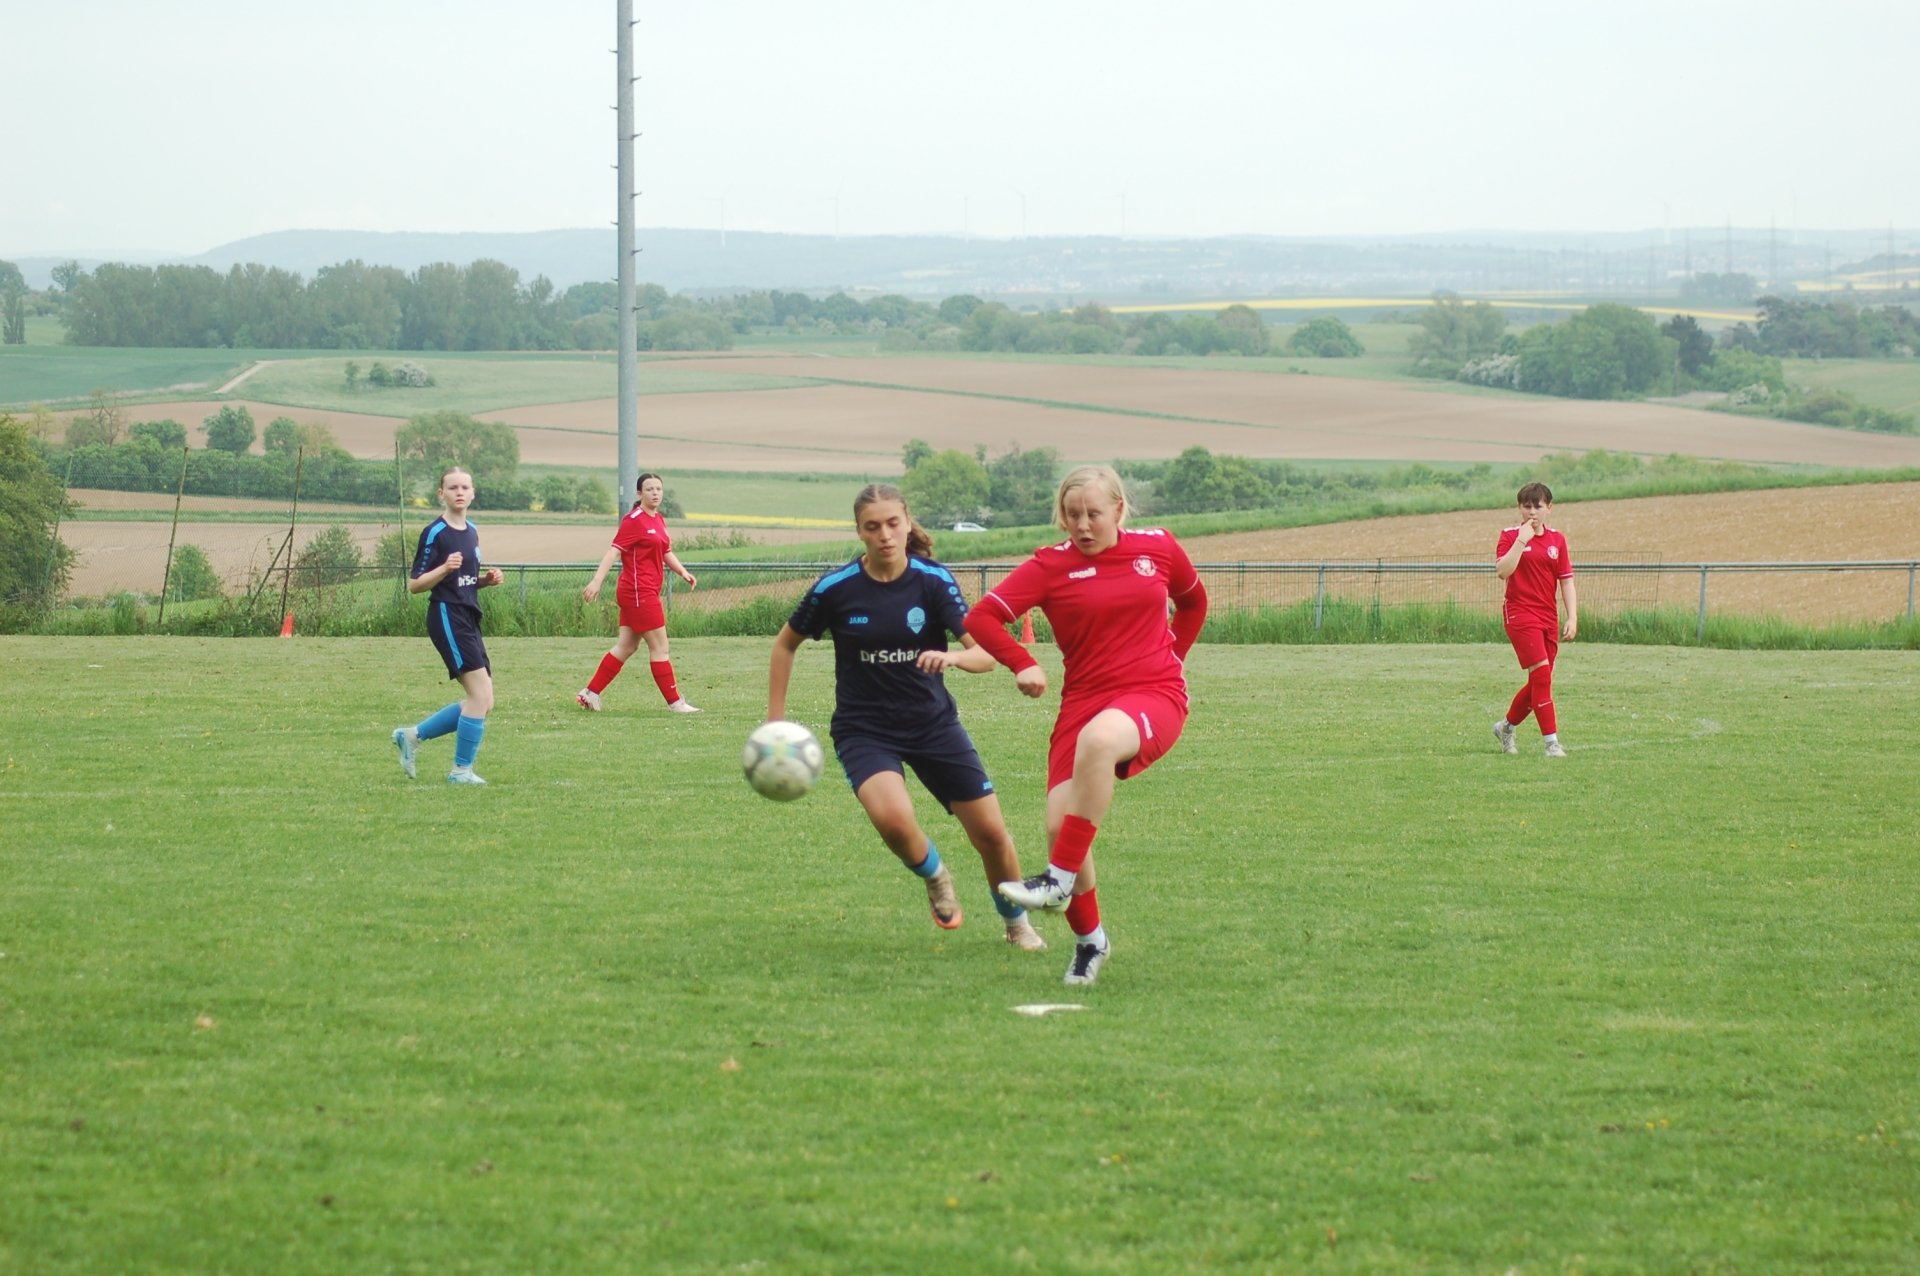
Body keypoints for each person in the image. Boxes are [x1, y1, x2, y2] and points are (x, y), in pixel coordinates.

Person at [767, 483, 1046, 951]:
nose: (885, 534)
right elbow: (785, 644)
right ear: (859, 531)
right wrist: (775, 722)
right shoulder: (835, 589)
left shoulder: (932, 581)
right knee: (894, 820)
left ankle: (1017, 924)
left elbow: (985, 655)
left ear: (908, 523)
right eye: (872, 526)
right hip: (864, 730)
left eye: (893, 523)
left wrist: (953, 657)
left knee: (992, 835)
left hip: (934, 725)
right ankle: (935, 875)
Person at [965, 465, 1208, 986]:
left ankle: (1056, 881)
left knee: (1100, 742)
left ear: (1119, 509)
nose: (1082, 525)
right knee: (1061, 829)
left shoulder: (1159, 548)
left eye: (1093, 513)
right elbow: (980, 617)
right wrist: (1022, 662)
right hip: (1082, 701)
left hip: (1154, 694)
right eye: (1072, 514)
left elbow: (1193, 602)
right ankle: (1090, 941)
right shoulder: (1050, 565)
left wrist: (1175, 659)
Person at [392, 466, 504, 785]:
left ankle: (411, 736)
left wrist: (485, 581)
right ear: (441, 494)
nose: (459, 492)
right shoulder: (435, 533)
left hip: (468, 615)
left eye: (465, 487)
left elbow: (463, 580)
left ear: (473, 493)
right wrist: (443, 568)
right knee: (479, 696)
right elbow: (415, 585)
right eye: (452, 487)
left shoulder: (472, 530)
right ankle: (460, 771)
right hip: (446, 615)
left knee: (485, 701)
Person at [577, 473, 701, 714]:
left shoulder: (658, 519)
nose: (655, 493)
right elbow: (613, 552)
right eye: (649, 489)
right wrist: (596, 581)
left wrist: (683, 572)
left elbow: (665, 551)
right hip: (638, 592)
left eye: (658, 489)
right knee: (661, 648)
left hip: (642, 591)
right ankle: (676, 703)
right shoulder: (634, 520)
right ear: (639, 493)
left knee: (626, 646)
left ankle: (590, 693)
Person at [1493, 481, 1577, 758]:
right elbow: (1503, 571)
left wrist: (1572, 616)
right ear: (1519, 508)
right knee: (1541, 676)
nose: (1532, 512)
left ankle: (1506, 727)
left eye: (1537, 506)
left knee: (1539, 682)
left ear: (1549, 508)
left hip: (1548, 617)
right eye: (1526, 506)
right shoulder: (1510, 536)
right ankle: (1552, 744)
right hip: (1520, 613)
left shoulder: (1557, 540)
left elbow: (1566, 580)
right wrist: (1522, 540)